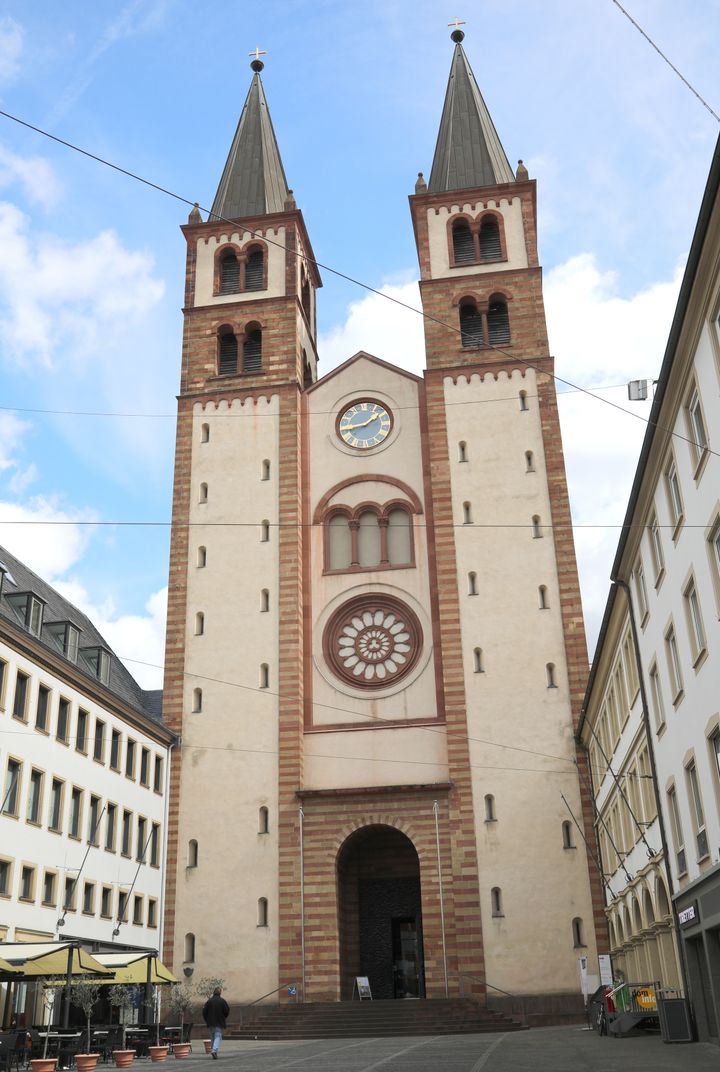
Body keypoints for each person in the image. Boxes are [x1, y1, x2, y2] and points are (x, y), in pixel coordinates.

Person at [202, 986, 229, 1059]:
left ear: (213, 992)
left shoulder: (209, 1001)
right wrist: (223, 1017)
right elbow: (226, 1011)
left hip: (210, 1022)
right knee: (217, 1036)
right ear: (220, 993)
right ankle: (214, 1050)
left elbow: (204, 1012)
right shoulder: (222, 1001)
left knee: (213, 1037)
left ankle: (214, 1051)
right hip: (219, 1022)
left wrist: (207, 1019)